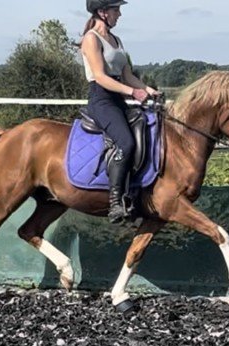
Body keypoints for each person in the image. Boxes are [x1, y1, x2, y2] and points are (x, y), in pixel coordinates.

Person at [81, 0, 160, 223]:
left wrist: (148, 90)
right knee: (125, 142)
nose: (120, 14)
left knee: (147, 129)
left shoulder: (116, 40)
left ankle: (137, 192)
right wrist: (133, 93)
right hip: (101, 100)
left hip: (118, 99)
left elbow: (127, 75)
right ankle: (115, 202)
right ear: (102, 12)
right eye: (116, 10)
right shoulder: (91, 39)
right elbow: (101, 77)